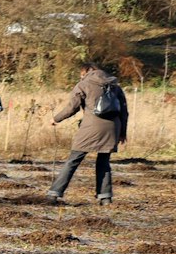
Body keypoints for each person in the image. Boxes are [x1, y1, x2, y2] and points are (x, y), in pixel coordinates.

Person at [48, 62, 128, 204]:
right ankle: (105, 197)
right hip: (112, 128)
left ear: (86, 71)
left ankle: (54, 194)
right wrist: (122, 132)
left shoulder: (83, 85)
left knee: (73, 160)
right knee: (103, 161)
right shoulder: (114, 85)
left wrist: (56, 119)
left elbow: (72, 108)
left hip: (91, 127)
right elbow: (124, 112)